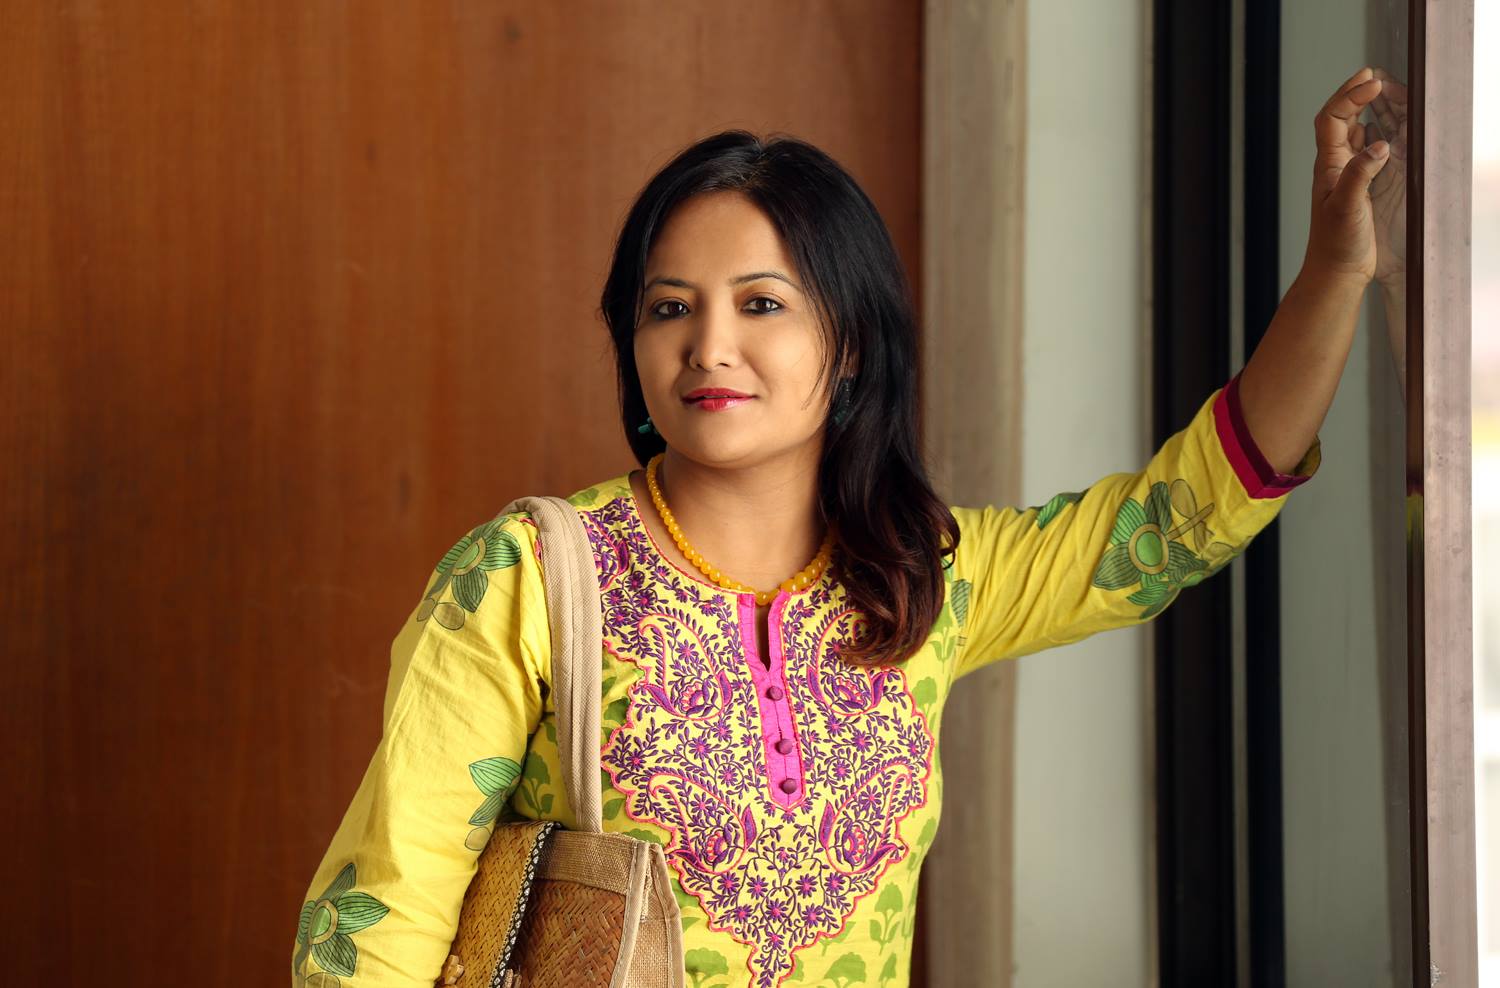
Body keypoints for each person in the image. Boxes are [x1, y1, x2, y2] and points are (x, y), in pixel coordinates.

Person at [292, 66, 1400, 988]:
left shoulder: (926, 578)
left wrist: (1337, 269)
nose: (708, 346)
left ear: (853, 342)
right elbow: (382, 913)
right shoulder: (532, 574)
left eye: (761, 303)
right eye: (669, 307)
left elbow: (1184, 515)